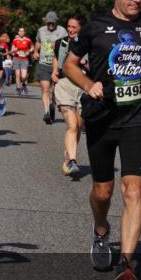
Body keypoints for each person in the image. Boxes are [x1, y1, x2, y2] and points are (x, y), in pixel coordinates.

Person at [64, 0, 141, 280]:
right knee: (103, 191)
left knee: (133, 190)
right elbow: (69, 63)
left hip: (137, 117)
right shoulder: (94, 26)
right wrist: (88, 82)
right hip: (101, 117)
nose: (137, 0)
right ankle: (101, 229)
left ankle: (126, 264)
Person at [52, 13, 86, 178]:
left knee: (78, 126)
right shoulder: (61, 42)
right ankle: (72, 160)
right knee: (72, 125)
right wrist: (54, 71)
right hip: (64, 85)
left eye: (74, 27)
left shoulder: (90, 44)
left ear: (81, 28)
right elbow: (56, 58)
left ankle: (68, 155)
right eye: (69, 26)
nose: (70, 30)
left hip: (84, 85)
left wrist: (88, 63)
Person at [36, 12, 68, 124]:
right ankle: (46, 112)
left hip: (58, 65)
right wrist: (35, 51)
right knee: (45, 89)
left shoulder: (62, 31)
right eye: (49, 23)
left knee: (55, 91)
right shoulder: (41, 30)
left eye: (52, 23)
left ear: (56, 22)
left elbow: (66, 45)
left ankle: (52, 106)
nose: (51, 25)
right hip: (43, 64)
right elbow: (38, 42)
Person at [11, 27, 33, 96]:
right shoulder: (15, 40)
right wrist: (14, 51)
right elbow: (12, 50)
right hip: (16, 58)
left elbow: (32, 47)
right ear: (18, 32)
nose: (21, 32)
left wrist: (29, 51)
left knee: (23, 76)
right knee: (17, 75)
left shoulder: (28, 40)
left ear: (25, 32)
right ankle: (18, 89)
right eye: (20, 31)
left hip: (24, 59)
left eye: (22, 31)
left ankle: (23, 84)